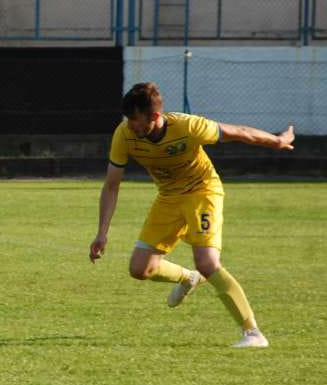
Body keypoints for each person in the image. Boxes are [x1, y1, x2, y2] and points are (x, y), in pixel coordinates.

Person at [89, 82, 295, 348]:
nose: (131, 126)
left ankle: (252, 332)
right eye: (128, 120)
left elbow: (239, 132)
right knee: (139, 269)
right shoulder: (124, 134)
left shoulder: (188, 126)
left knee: (207, 262)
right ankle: (189, 278)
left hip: (202, 191)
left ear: (154, 116)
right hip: (168, 197)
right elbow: (112, 184)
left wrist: (277, 141)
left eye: (136, 120)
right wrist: (102, 233)